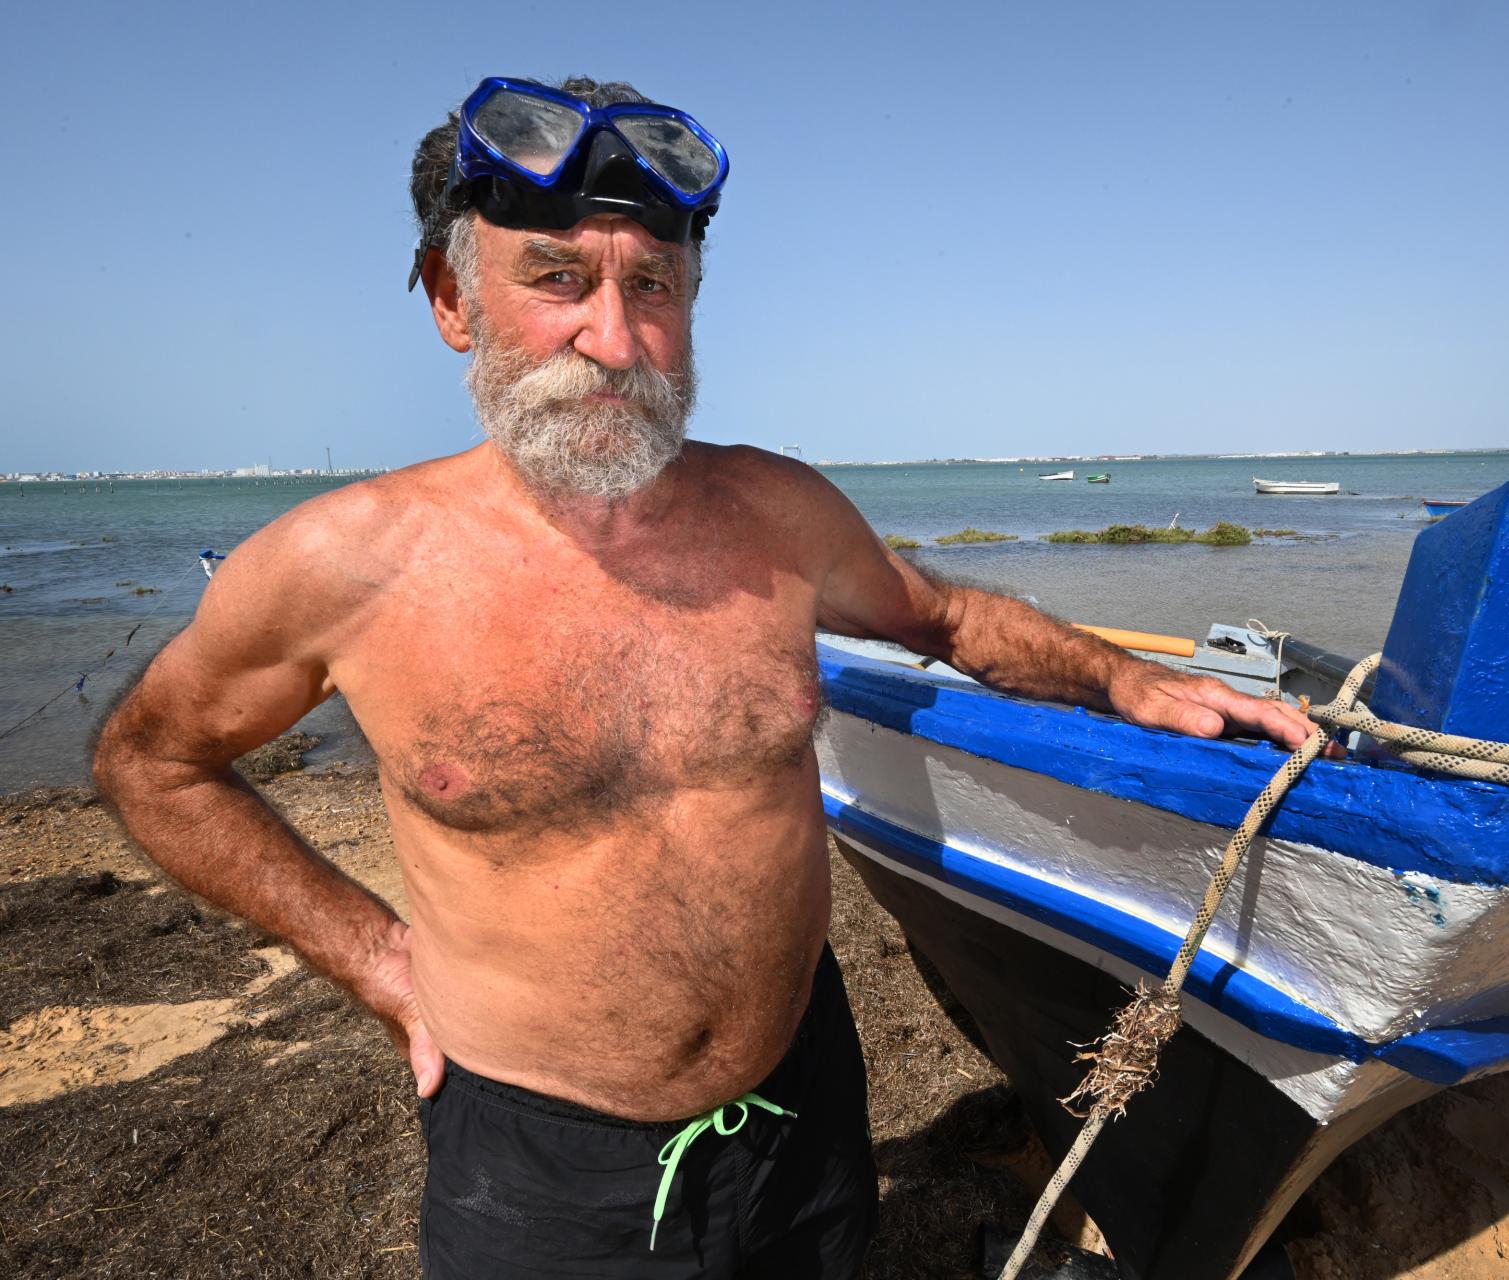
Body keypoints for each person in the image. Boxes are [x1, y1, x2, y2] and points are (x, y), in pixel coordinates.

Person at [92, 74, 1318, 1279]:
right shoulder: (341, 564)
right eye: (556, 280)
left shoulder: (776, 513)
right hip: (540, 1165)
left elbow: (941, 616)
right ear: (450, 301)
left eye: (654, 287)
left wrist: (1124, 681)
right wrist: (376, 961)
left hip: (802, 1099)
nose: (615, 339)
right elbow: (153, 758)